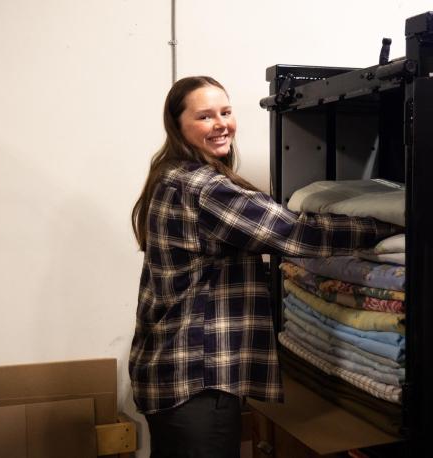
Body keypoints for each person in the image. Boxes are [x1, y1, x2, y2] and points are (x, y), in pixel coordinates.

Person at [129, 76, 400, 458]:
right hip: (198, 377)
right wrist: (392, 227)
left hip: (171, 368)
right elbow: (296, 234)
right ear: (178, 125)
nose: (221, 123)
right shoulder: (202, 187)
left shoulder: (168, 176)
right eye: (205, 117)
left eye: (225, 112)